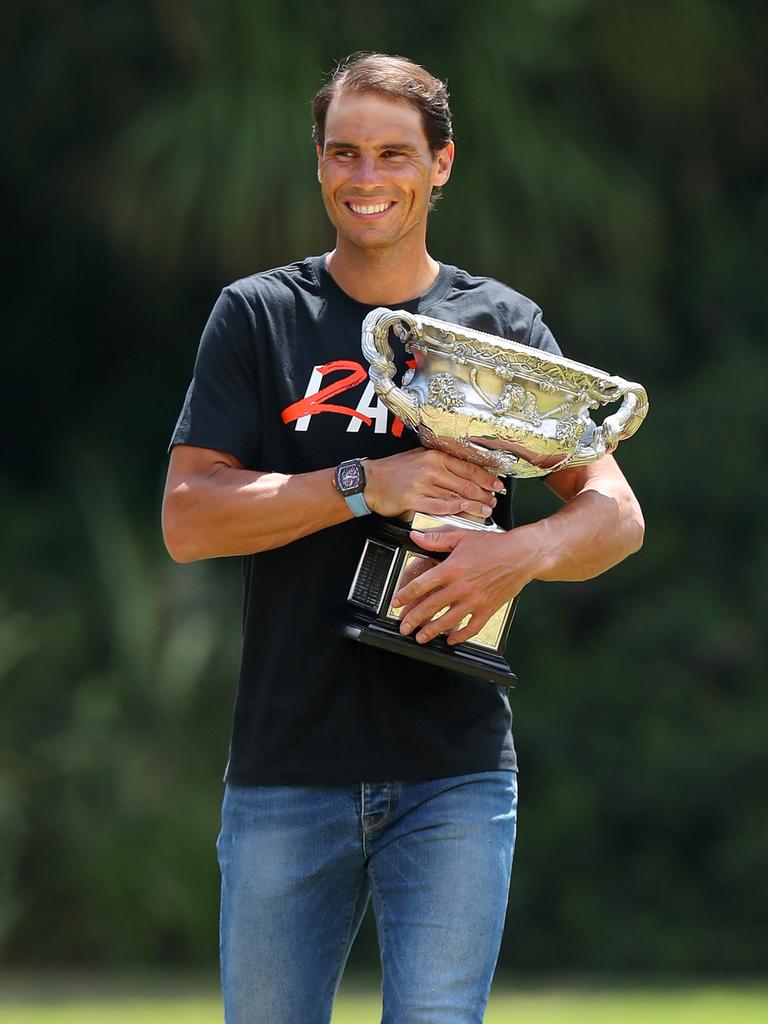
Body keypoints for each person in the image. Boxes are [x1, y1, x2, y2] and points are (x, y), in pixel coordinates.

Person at [162, 52, 644, 1024]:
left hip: (454, 769)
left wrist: (521, 552)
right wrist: (365, 481)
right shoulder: (261, 316)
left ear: (442, 165)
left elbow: (614, 516)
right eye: (345, 153)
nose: (367, 177)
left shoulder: (499, 326)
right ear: (319, 164)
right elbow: (189, 518)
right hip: (286, 767)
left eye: (393, 153)